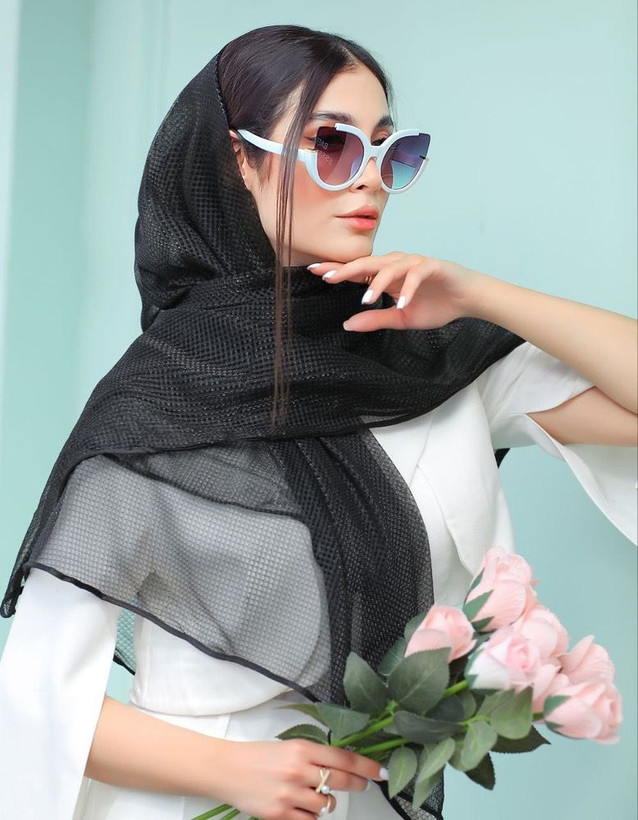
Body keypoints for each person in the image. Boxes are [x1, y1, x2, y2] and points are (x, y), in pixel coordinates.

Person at [0, 23, 636, 820]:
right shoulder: (159, 404)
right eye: (331, 145)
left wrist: (482, 296)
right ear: (240, 160)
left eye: (391, 151)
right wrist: (233, 771)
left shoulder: (428, 365)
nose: (370, 178)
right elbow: (33, 697)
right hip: (188, 803)